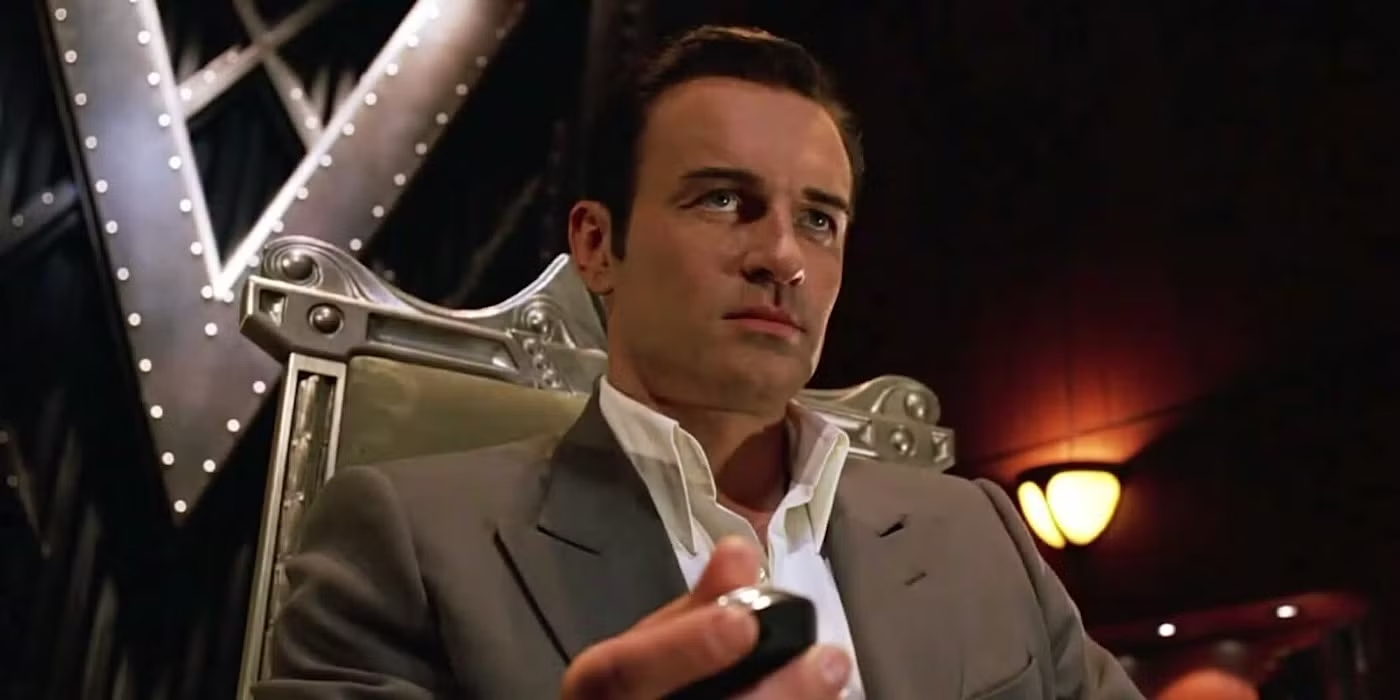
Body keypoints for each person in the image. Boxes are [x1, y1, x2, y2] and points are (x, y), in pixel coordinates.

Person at [254, 25, 1144, 700]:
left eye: (819, 220)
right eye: (724, 200)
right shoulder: (410, 543)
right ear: (598, 246)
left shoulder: (981, 536)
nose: (782, 256)